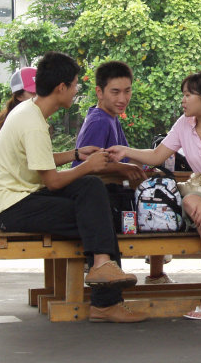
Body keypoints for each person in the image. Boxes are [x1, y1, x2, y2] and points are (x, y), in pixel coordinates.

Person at [0, 51, 147, 323]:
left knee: (90, 190)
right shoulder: (34, 124)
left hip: (23, 197)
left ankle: (101, 266)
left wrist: (76, 155)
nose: (76, 92)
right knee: (100, 215)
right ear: (61, 88)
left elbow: (39, 162)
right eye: (75, 85)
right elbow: (52, 181)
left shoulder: (30, 113)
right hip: (14, 207)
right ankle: (106, 299)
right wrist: (90, 165)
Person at [109, 71, 201, 320]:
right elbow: (157, 156)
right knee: (190, 201)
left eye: (188, 95)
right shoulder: (183, 124)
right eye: (183, 95)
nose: (183, 100)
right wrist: (126, 151)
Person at [72, 60, 173, 284]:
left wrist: (142, 165)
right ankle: (156, 275)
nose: (122, 98)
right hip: (102, 201)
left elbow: (116, 157)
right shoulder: (99, 121)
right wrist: (125, 168)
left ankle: (156, 274)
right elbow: (87, 169)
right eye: (115, 92)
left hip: (113, 195)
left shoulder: (110, 118)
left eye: (127, 91)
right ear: (99, 92)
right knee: (160, 203)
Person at [0, 66, 37, 179]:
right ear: (19, 96)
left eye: (42, 92)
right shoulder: (19, 122)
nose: (38, 97)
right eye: (33, 93)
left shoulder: (23, 117)